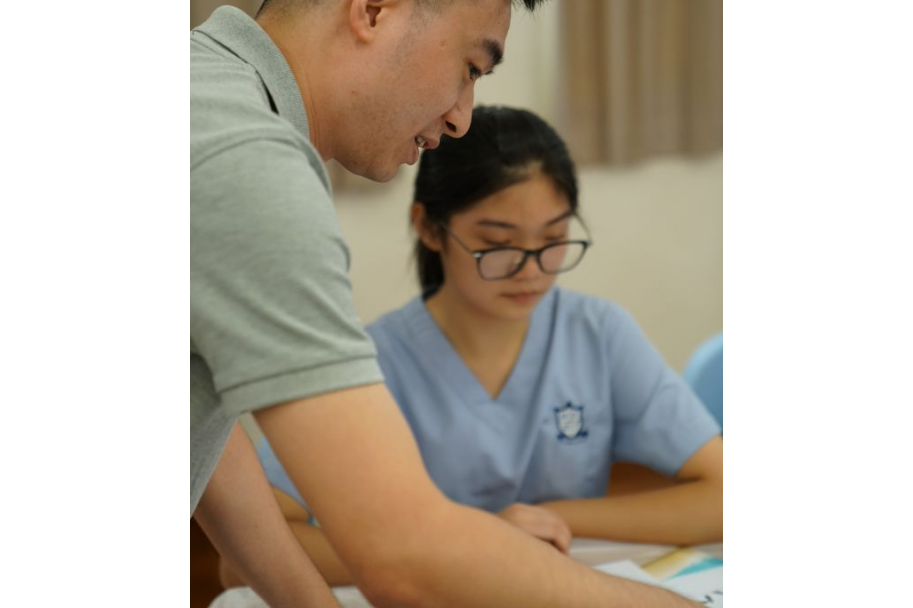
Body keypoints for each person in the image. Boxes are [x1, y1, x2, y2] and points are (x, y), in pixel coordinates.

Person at [191, 0, 701, 605]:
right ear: (374, 11)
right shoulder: (247, 161)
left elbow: (204, 430)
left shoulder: (208, 100)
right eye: (470, 67)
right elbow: (404, 557)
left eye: (553, 240)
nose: (462, 118)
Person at [249, 105, 723, 586]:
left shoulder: (598, 333)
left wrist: (554, 516)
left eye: (554, 238)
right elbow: (253, 551)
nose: (531, 270)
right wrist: (475, 541)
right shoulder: (372, 362)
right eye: (499, 244)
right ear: (429, 228)